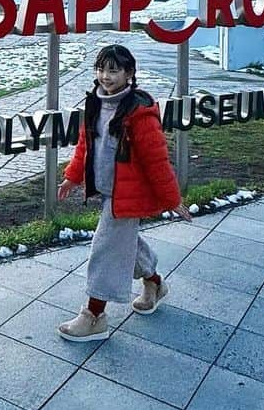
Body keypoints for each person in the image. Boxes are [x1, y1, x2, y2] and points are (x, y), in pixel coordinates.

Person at [55, 43, 190, 342]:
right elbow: (85, 146)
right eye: (101, 69)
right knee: (124, 241)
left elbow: (157, 161)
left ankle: (94, 315)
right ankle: (154, 283)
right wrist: (71, 178)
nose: (106, 76)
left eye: (114, 70)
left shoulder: (139, 112)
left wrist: (172, 199)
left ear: (129, 73)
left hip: (128, 194)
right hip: (106, 189)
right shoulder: (94, 103)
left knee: (105, 248)